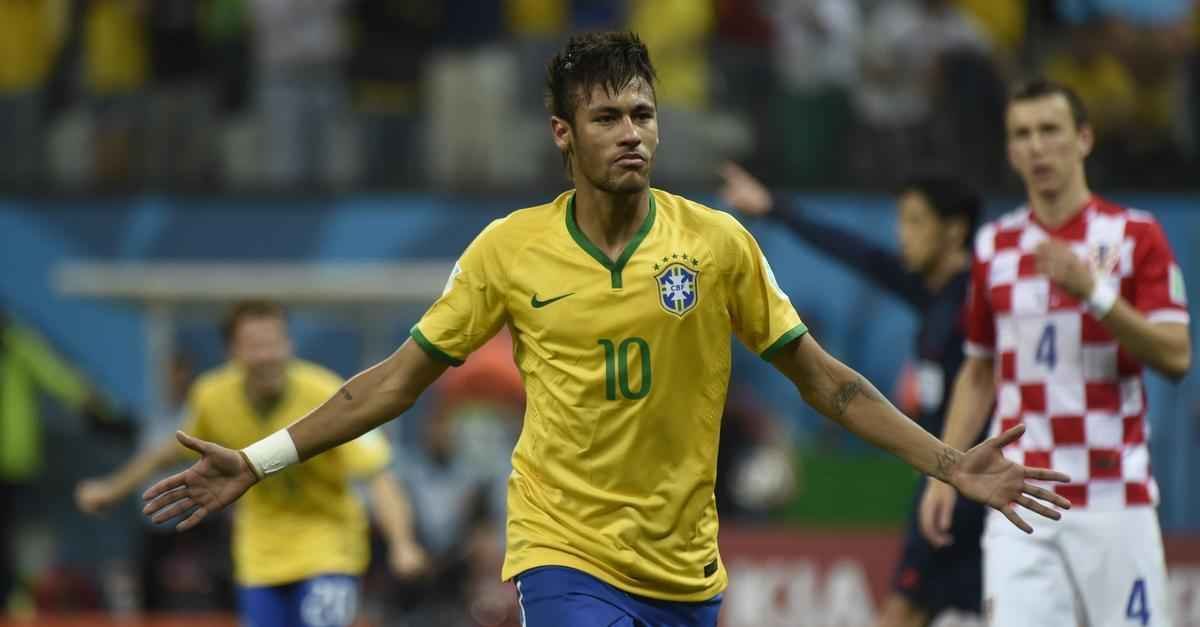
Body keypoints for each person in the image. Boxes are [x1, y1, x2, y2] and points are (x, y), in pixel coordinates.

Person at [141, 33, 1071, 627]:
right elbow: (389, 382)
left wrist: (950, 463)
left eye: (643, 114)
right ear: (563, 133)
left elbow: (830, 382)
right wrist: (258, 458)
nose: (632, 132)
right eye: (607, 116)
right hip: (563, 550)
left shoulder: (716, 245)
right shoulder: (509, 251)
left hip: (685, 566)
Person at [918, 79, 1191, 626]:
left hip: (1115, 496)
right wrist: (942, 472)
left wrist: (1094, 292)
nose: (1037, 147)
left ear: (1084, 139)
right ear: (1010, 152)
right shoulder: (994, 246)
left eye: (1050, 130)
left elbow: (1176, 356)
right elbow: (979, 371)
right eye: (1023, 135)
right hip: (1021, 499)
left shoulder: (1135, 235)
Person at [718, 164, 987, 626]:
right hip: (947, 478)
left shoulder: (983, 301)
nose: (903, 235)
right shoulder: (931, 294)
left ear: (955, 230)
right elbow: (860, 254)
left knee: (909, 612)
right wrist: (775, 209)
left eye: (915, 221)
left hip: (968, 480)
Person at [76, 300, 426, 627]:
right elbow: (168, 452)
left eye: (274, 344)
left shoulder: (326, 393)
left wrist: (403, 543)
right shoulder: (212, 397)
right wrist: (112, 489)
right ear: (233, 352)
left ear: (289, 344)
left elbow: (378, 474)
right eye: (255, 346)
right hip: (260, 556)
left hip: (329, 548)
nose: (267, 356)